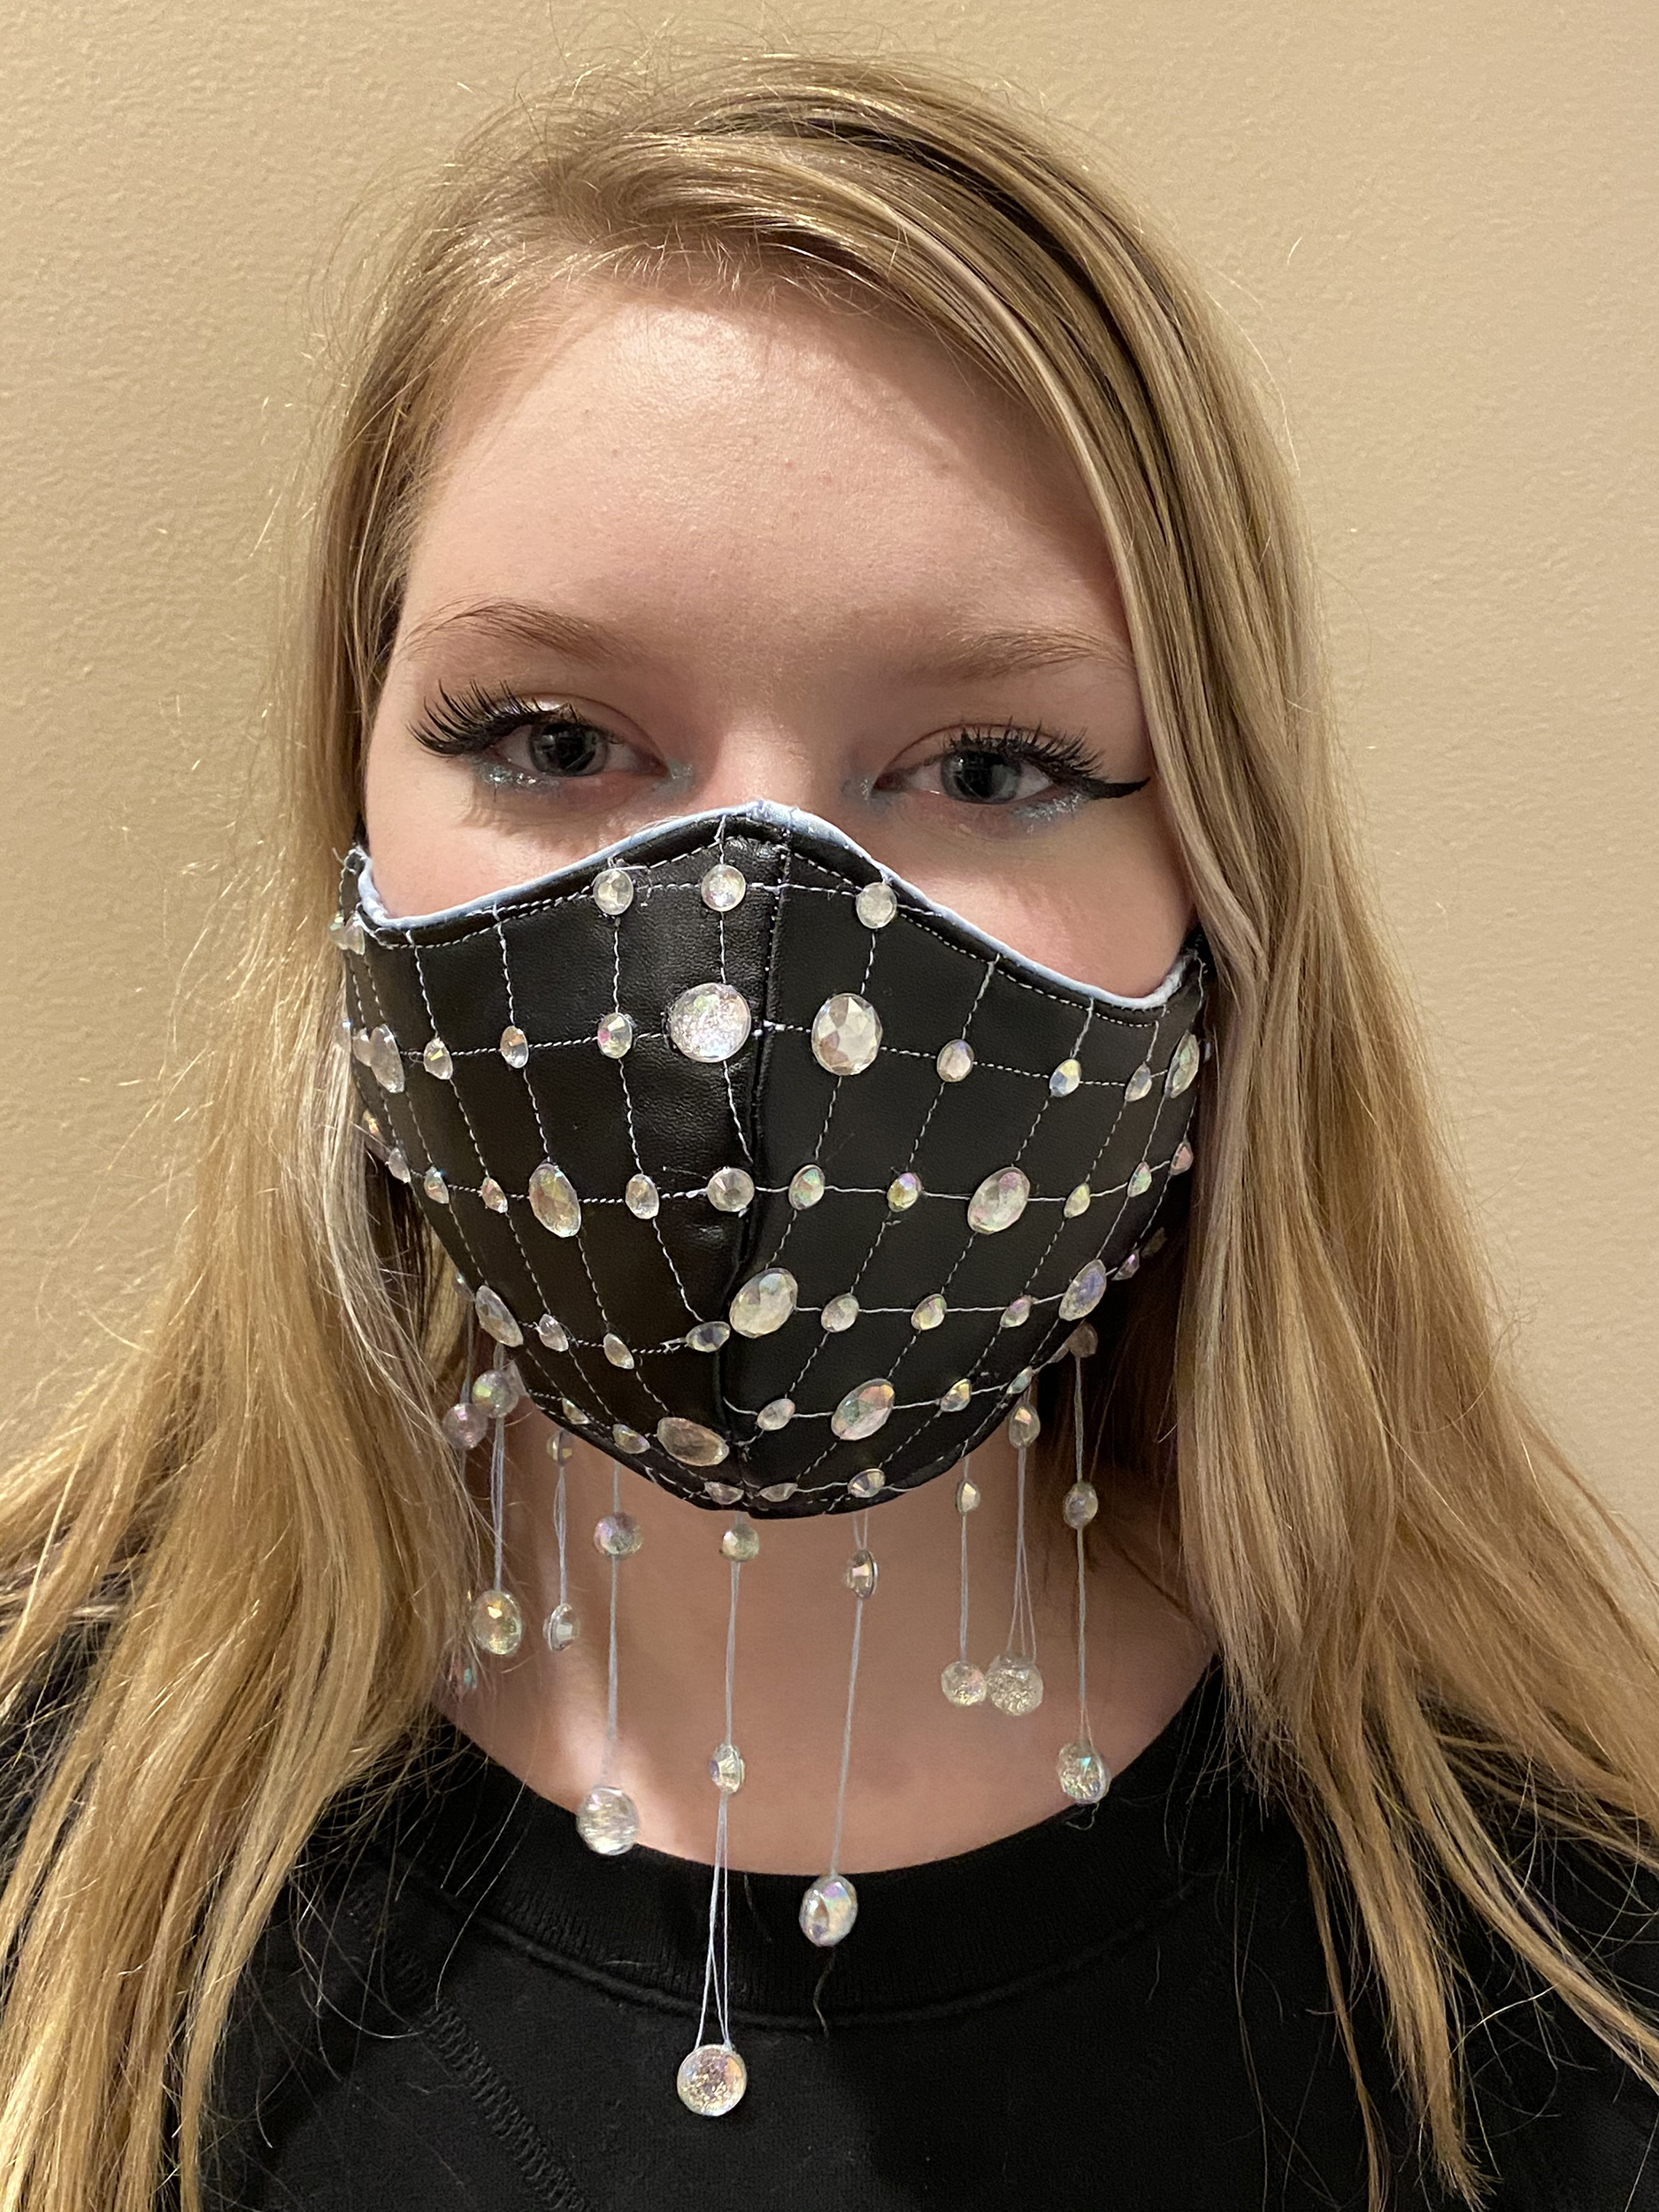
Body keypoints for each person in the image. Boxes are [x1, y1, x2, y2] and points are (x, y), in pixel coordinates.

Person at [0, 47, 1655, 2212]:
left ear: (1213, 889)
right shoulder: (54, 1815)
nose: (739, 966)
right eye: (555, 733)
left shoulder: (1543, 1987)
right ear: (357, 823)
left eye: (986, 764)